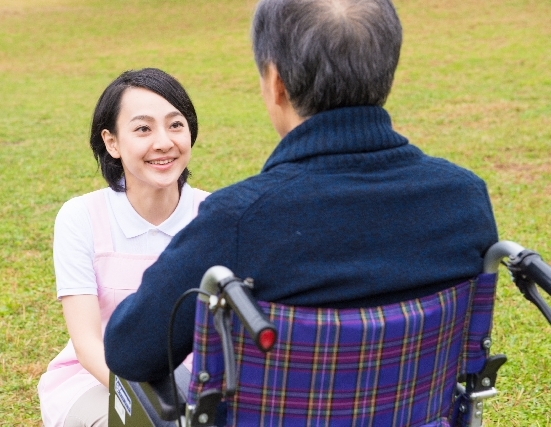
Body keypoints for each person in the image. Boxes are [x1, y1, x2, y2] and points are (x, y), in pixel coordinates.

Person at [105, 0, 498, 390]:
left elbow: (130, 350)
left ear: (276, 83)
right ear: (387, 71)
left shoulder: (240, 219)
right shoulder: (464, 198)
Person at [37, 68, 209, 427]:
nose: (164, 142)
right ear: (112, 142)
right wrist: (153, 410)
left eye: (176, 125)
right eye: (143, 128)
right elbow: (87, 345)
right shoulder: (81, 217)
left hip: (197, 384)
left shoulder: (214, 215)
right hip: (98, 379)